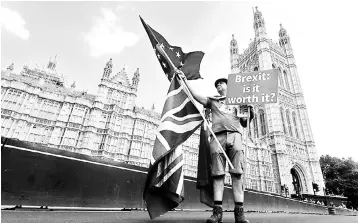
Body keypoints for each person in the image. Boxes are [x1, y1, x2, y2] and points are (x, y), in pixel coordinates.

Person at [178, 72, 253, 223]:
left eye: (221, 83)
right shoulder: (213, 101)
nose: (218, 85)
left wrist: (249, 111)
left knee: (237, 174)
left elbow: (245, 122)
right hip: (217, 137)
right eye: (217, 84)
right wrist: (184, 80)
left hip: (235, 135)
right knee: (218, 175)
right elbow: (195, 95)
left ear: (228, 86)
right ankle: (217, 212)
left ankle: (239, 214)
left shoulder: (239, 100)